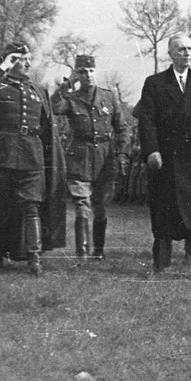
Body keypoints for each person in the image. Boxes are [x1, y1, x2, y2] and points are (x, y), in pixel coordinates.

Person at [0, 41, 66, 275]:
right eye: (20, 59)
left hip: (32, 156)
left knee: (31, 206)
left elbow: (46, 127)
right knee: (1, 207)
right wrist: (2, 66)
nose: (27, 62)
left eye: (28, 58)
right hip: (2, 154)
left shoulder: (38, 89)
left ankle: (34, 258)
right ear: (9, 61)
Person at [136, 35, 191, 277]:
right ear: (170, 53)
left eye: (190, 49)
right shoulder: (155, 84)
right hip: (165, 161)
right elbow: (146, 120)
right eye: (181, 49)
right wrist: (152, 150)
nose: (187, 53)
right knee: (163, 212)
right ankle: (160, 265)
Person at [51, 53, 128, 259]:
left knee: (101, 206)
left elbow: (122, 127)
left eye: (91, 71)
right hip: (80, 156)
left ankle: (99, 251)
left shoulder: (108, 97)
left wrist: (121, 154)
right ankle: (82, 254)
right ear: (77, 74)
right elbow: (54, 107)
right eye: (83, 72)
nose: (88, 75)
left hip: (105, 158)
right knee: (81, 205)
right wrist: (65, 86)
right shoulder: (71, 99)